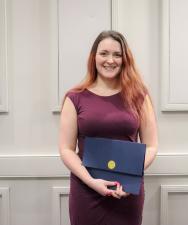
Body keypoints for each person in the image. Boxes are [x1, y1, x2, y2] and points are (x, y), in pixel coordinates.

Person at [59, 30, 158, 225]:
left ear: (124, 59)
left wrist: (130, 175)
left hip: (126, 192)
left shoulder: (139, 96)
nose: (110, 60)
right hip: (86, 191)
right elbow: (66, 149)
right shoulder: (75, 97)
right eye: (104, 53)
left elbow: (152, 145)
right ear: (94, 57)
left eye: (117, 54)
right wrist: (91, 181)